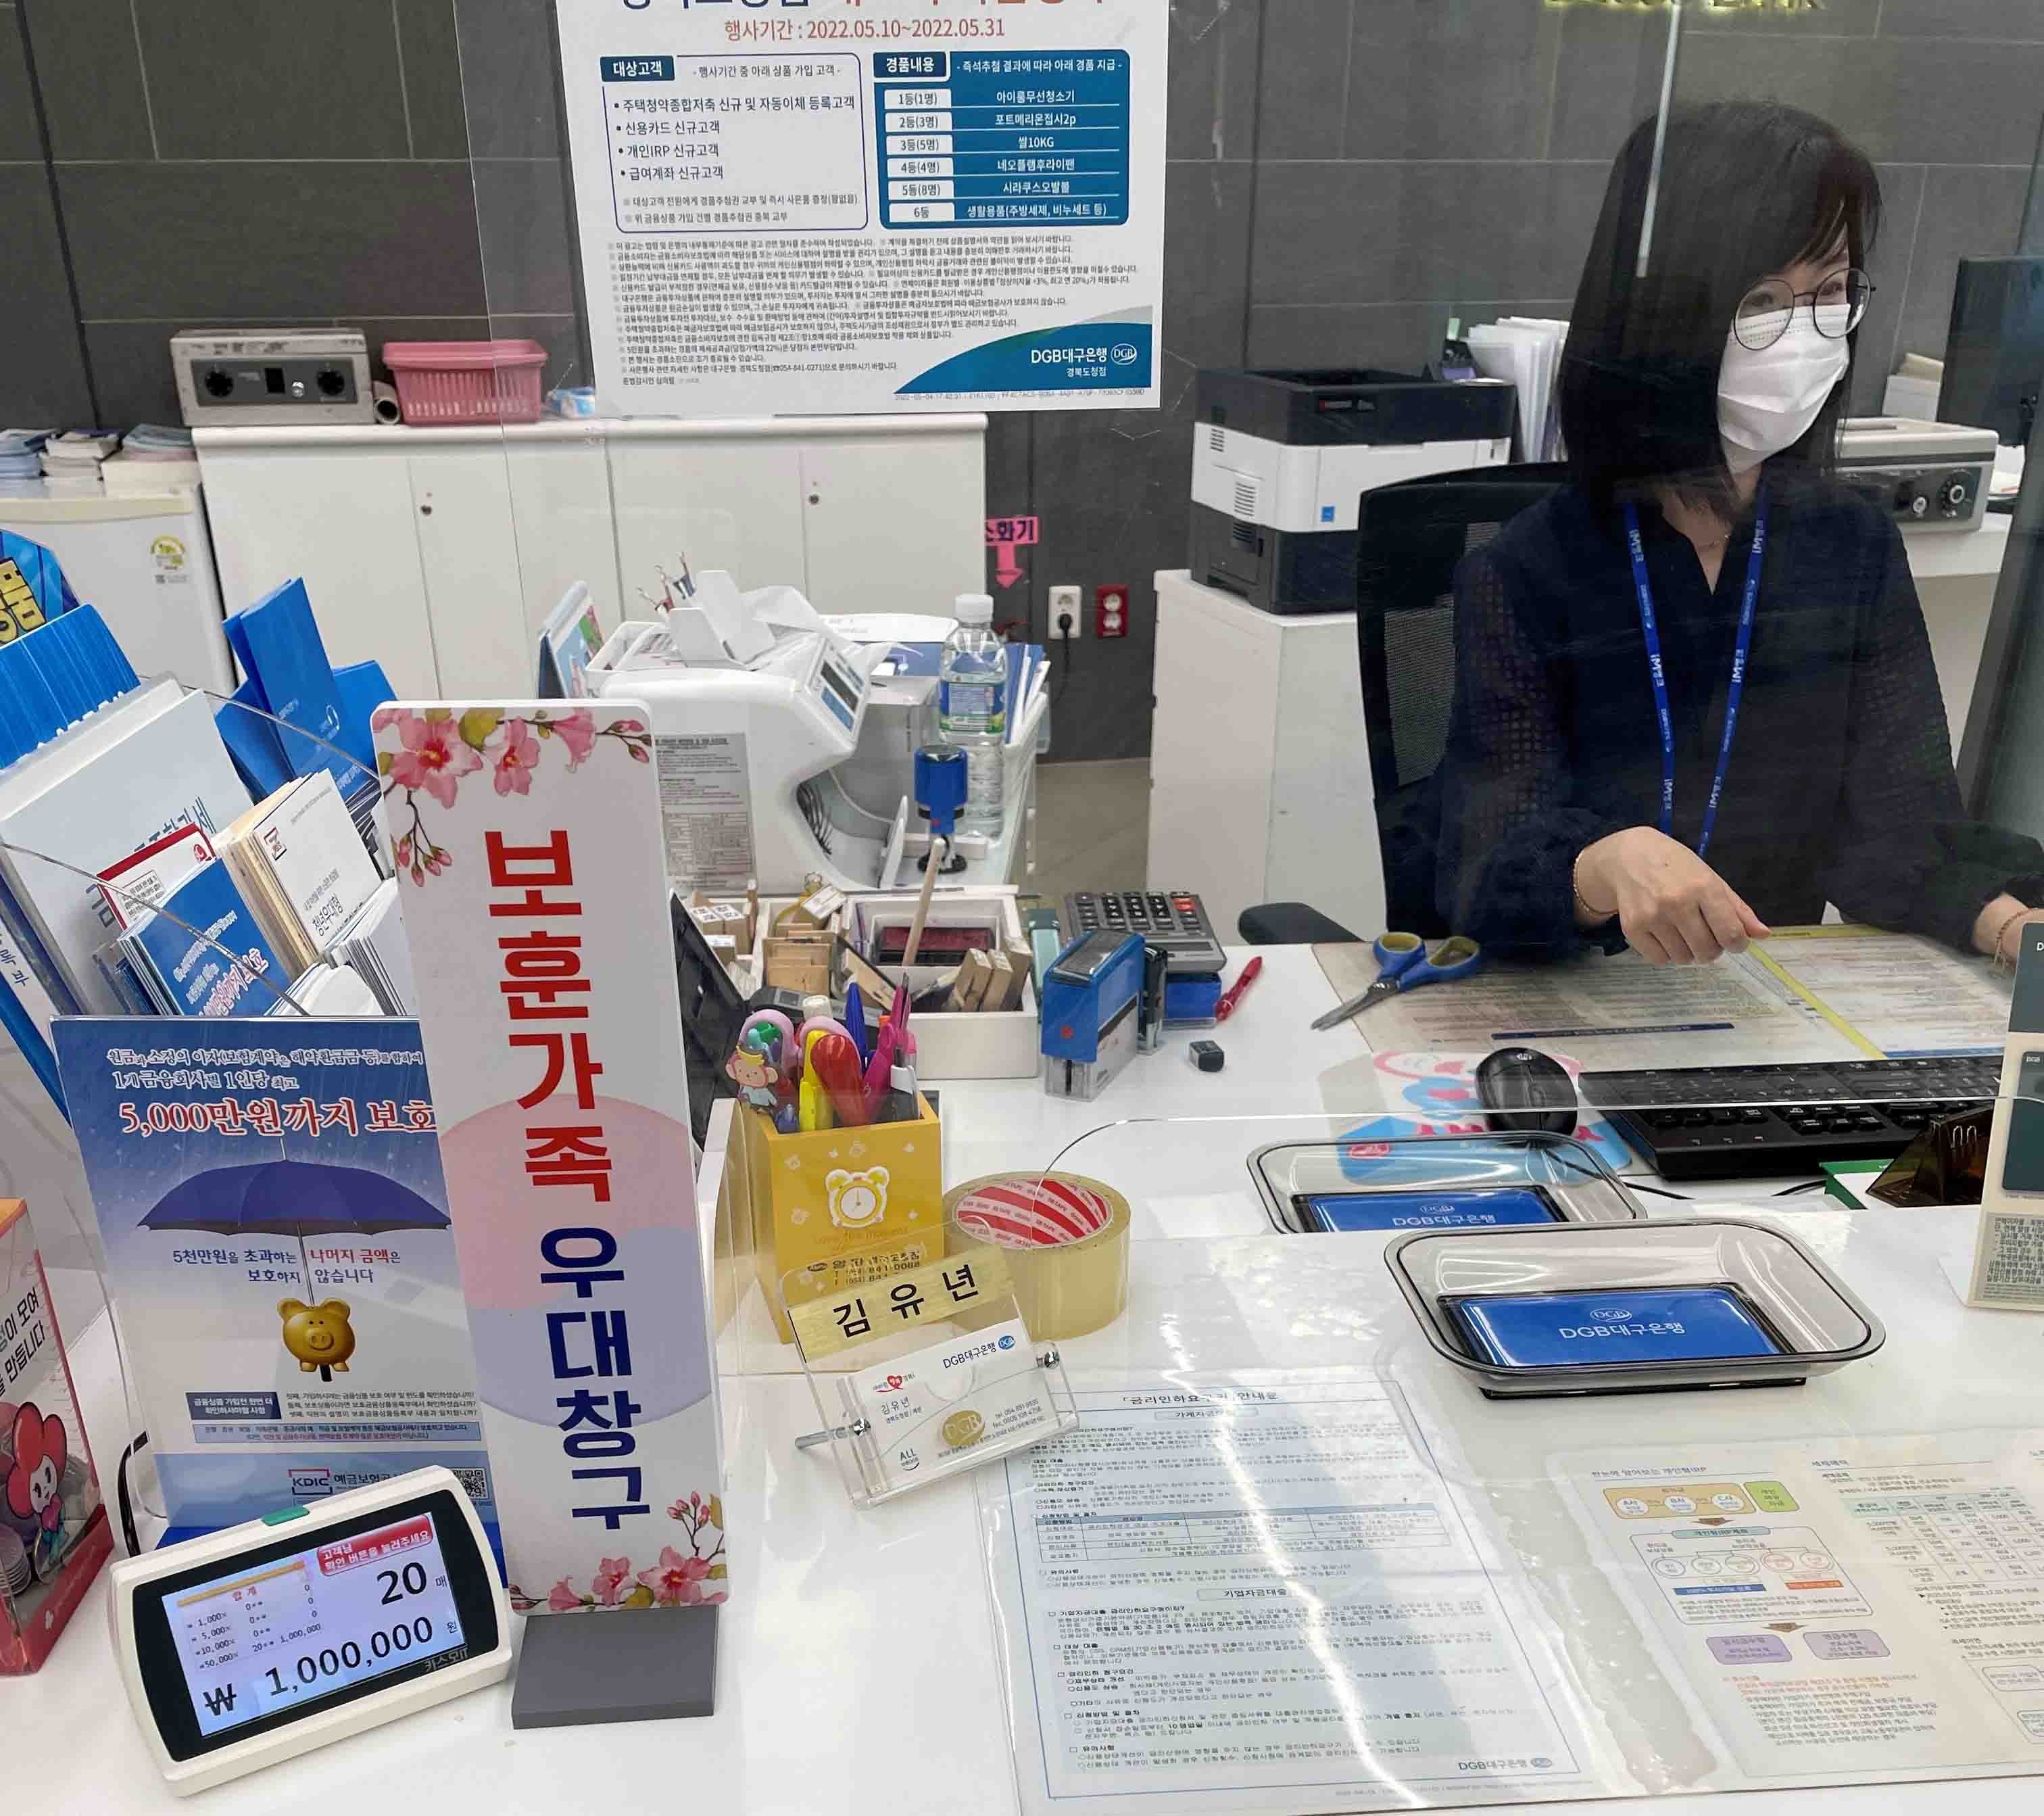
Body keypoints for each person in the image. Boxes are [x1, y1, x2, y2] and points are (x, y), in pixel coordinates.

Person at [1433, 101, 2043, 966]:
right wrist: (1602, 866)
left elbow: (1901, 831)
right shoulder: (1529, 568)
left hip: (1768, 991)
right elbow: (1482, 866)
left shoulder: (1850, 548)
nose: (1801, 334)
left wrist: (2013, 928)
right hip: (1581, 995)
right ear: (1661, 316)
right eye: (1761, 300)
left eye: (1828, 292)